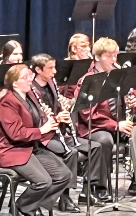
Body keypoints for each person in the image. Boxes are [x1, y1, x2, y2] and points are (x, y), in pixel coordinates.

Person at [0, 64, 75, 216]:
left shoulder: (31, 96)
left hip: (31, 147)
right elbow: (16, 134)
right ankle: (19, 207)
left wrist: (54, 120)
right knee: (43, 181)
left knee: (64, 176)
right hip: (12, 151)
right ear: (15, 83)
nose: (30, 79)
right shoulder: (8, 102)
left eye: (30, 76)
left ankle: (34, 205)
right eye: (25, 77)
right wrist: (42, 130)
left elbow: (37, 122)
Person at [28, 53, 109, 204]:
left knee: (96, 147)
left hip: (59, 134)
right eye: (50, 68)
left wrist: (62, 108)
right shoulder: (31, 90)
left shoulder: (52, 84)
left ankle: (87, 191)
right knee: (70, 152)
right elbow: (35, 118)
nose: (54, 72)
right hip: (44, 138)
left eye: (54, 67)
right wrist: (56, 118)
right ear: (38, 70)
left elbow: (56, 108)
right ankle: (65, 197)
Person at [72, 38, 136, 203]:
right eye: (109, 56)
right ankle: (99, 188)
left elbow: (128, 102)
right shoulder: (88, 80)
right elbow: (87, 115)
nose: (114, 60)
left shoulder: (118, 77)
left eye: (115, 55)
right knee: (104, 140)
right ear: (97, 57)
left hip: (116, 125)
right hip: (93, 129)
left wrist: (134, 103)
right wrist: (116, 125)